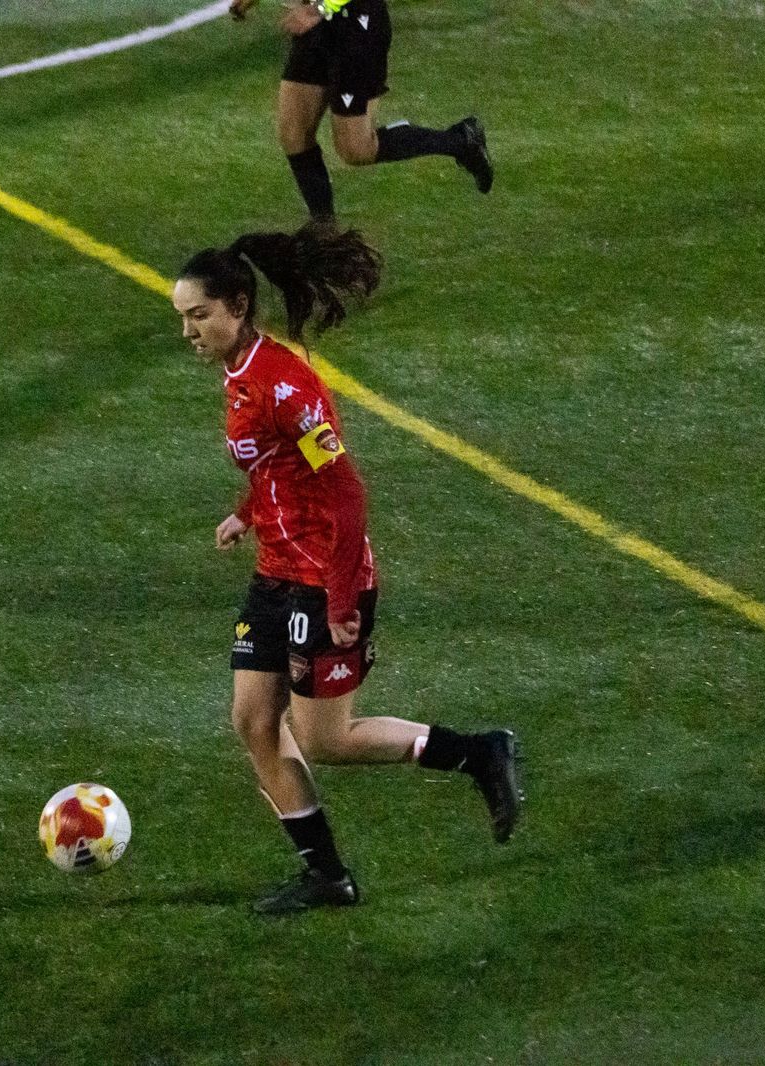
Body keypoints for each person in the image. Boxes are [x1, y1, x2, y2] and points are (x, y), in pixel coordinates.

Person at [171, 221, 521, 914]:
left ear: (238, 307)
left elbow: (345, 491)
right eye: (183, 318)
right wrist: (247, 511)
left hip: (323, 582)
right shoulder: (239, 377)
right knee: (251, 722)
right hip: (276, 573)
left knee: (326, 738)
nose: (189, 331)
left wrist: (336, 601)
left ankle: (479, 752)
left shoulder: (285, 386)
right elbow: (278, 467)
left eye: (198, 315)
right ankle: (327, 876)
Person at [229, 0, 493, 221]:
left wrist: (319, 9)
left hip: (357, 27)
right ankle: (326, 237)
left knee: (356, 149)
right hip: (316, 24)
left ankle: (461, 140)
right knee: (293, 134)